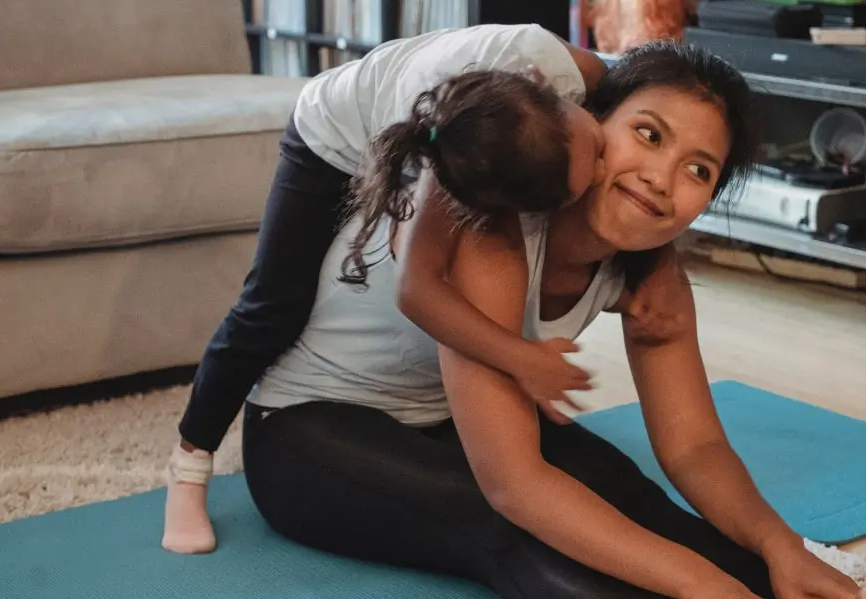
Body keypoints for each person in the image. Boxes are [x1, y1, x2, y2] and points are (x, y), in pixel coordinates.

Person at [232, 43, 866, 599]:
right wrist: (705, 588)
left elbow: (696, 446)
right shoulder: (494, 232)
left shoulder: (655, 278)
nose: (663, 179)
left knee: (625, 495)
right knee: (513, 527)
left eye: (699, 170)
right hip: (307, 432)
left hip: (438, 421)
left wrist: (779, 547)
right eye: (648, 134)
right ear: (587, 128)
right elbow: (515, 487)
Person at [163, 23, 613, 554]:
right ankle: (188, 466)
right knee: (273, 306)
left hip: (448, 117)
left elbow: (638, 83)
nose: (610, 168)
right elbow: (416, 290)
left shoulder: (566, 71)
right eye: (598, 155)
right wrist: (523, 359)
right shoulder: (451, 158)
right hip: (330, 130)